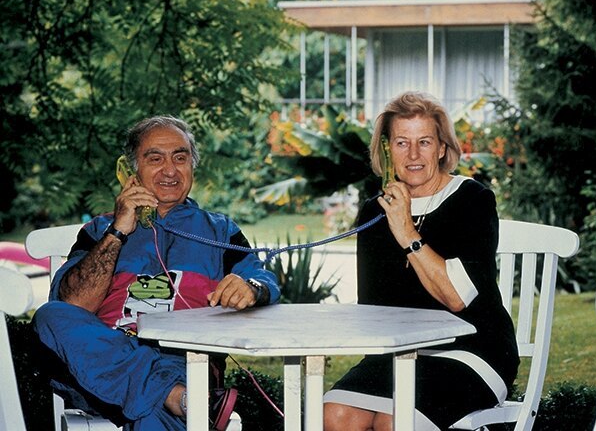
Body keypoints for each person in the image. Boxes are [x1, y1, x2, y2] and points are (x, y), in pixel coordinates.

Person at [32, 115, 280, 430]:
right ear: (131, 171)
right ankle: (174, 396)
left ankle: (172, 396)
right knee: (50, 315)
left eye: (180, 157)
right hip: (104, 362)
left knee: (152, 409)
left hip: (187, 362)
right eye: (155, 159)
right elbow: (73, 306)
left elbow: (261, 279)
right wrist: (118, 231)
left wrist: (251, 288)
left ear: (192, 166)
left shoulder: (219, 230)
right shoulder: (99, 231)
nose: (170, 170)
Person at [323, 92, 519, 430]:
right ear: (387, 149)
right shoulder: (374, 211)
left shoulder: (473, 200)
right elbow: (374, 309)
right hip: (400, 353)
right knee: (334, 415)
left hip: (473, 351)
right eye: (402, 143)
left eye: (424, 142)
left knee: (394, 421)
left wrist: (406, 232)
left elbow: (457, 297)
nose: (413, 155)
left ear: (441, 148)